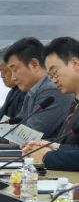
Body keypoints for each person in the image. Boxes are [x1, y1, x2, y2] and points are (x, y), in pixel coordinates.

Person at [0, 37, 72, 143]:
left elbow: (30, 134)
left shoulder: (51, 90)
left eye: (15, 70)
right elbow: (16, 125)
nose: (13, 78)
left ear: (34, 64)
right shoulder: (33, 90)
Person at [21, 37, 79, 170]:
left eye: (54, 72)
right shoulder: (75, 103)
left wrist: (46, 156)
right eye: (50, 76)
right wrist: (52, 146)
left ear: (75, 64)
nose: (54, 81)